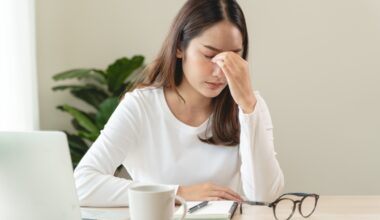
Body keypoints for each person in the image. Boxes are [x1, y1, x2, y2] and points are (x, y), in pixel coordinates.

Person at [74, 0, 284, 207]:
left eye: (232, 58)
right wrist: (179, 192)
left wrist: (248, 107)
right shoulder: (141, 107)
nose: (220, 71)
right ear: (179, 48)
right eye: (209, 55)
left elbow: (263, 196)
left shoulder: (250, 106)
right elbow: (81, 183)